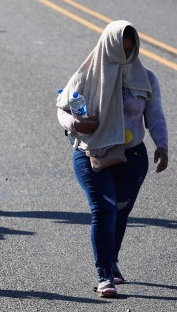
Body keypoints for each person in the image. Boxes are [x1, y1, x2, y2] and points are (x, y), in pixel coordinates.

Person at [56, 21, 168, 298]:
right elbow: (61, 109)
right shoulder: (86, 75)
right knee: (103, 210)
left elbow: (154, 115)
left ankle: (112, 260)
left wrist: (163, 145)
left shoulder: (146, 78)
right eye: (120, 51)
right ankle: (104, 275)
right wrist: (74, 124)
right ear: (108, 47)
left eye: (130, 52)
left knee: (120, 211)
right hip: (92, 153)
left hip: (132, 156)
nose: (125, 57)